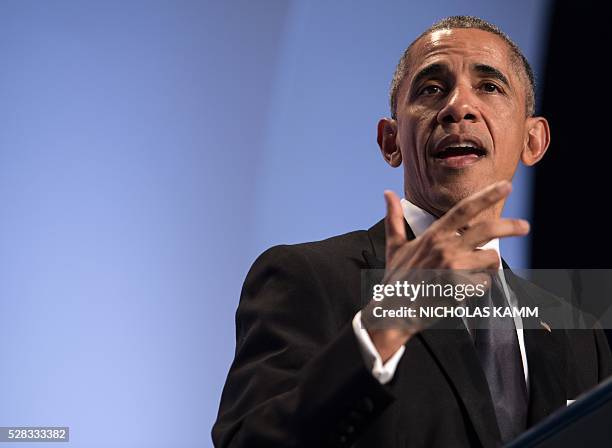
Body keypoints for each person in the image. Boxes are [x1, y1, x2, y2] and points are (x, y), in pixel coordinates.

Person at [212, 16, 612, 447]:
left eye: (490, 87)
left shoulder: (579, 335)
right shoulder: (307, 277)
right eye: (431, 89)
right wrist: (385, 324)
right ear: (391, 141)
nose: (459, 106)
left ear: (533, 141)